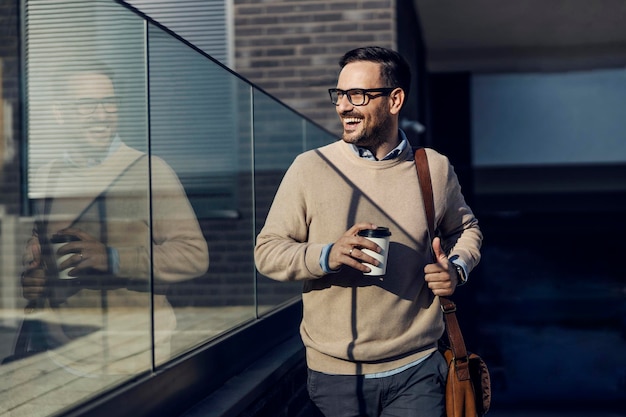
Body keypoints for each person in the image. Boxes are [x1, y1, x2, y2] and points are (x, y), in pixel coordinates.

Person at [254, 46, 482, 417]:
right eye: (339, 95)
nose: (344, 106)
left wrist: (455, 268)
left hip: (418, 367)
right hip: (336, 374)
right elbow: (267, 251)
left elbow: (466, 228)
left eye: (357, 95)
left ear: (395, 100)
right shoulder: (309, 168)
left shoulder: (433, 168)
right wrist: (327, 255)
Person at [19, 60, 209, 376]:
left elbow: (195, 255)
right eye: (87, 105)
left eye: (109, 103)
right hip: (59, 359)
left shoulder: (150, 171)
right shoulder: (46, 175)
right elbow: (44, 248)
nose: (102, 114)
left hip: (133, 365)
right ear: (59, 113)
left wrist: (114, 258)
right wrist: (35, 273)